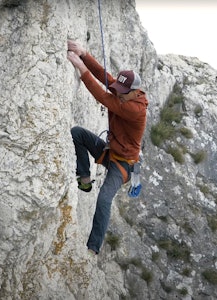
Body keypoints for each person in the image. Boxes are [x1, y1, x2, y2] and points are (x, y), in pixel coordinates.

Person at [67, 40, 148, 255]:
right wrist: (84, 54)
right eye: (118, 90)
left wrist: (80, 67)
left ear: (134, 92)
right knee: (77, 133)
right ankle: (84, 179)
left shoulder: (135, 109)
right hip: (110, 151)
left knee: (104, 200)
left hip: (123, 165)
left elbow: (103, 96)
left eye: (122, 91)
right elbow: (107, 78)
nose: (118, 92)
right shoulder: (125, 93)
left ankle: (93, 248)